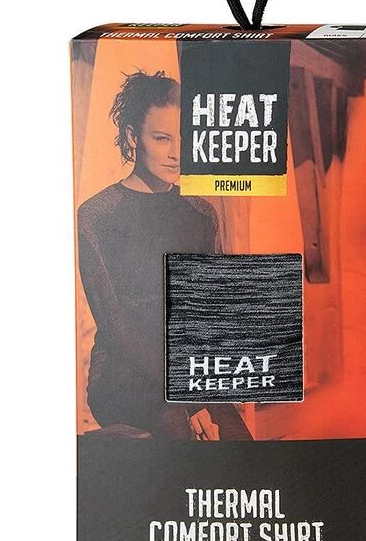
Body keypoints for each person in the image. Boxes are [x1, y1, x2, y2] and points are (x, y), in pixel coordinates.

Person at [77, 70, 251, 440]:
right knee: (180, 435)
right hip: (124, 374)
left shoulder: (201, 214)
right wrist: (187, 399)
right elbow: (117, 328)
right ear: (132, 137)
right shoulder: (97, 216)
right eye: (162, 138)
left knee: (239, 442)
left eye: (185, 138)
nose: (176, 152)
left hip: (188, 373)